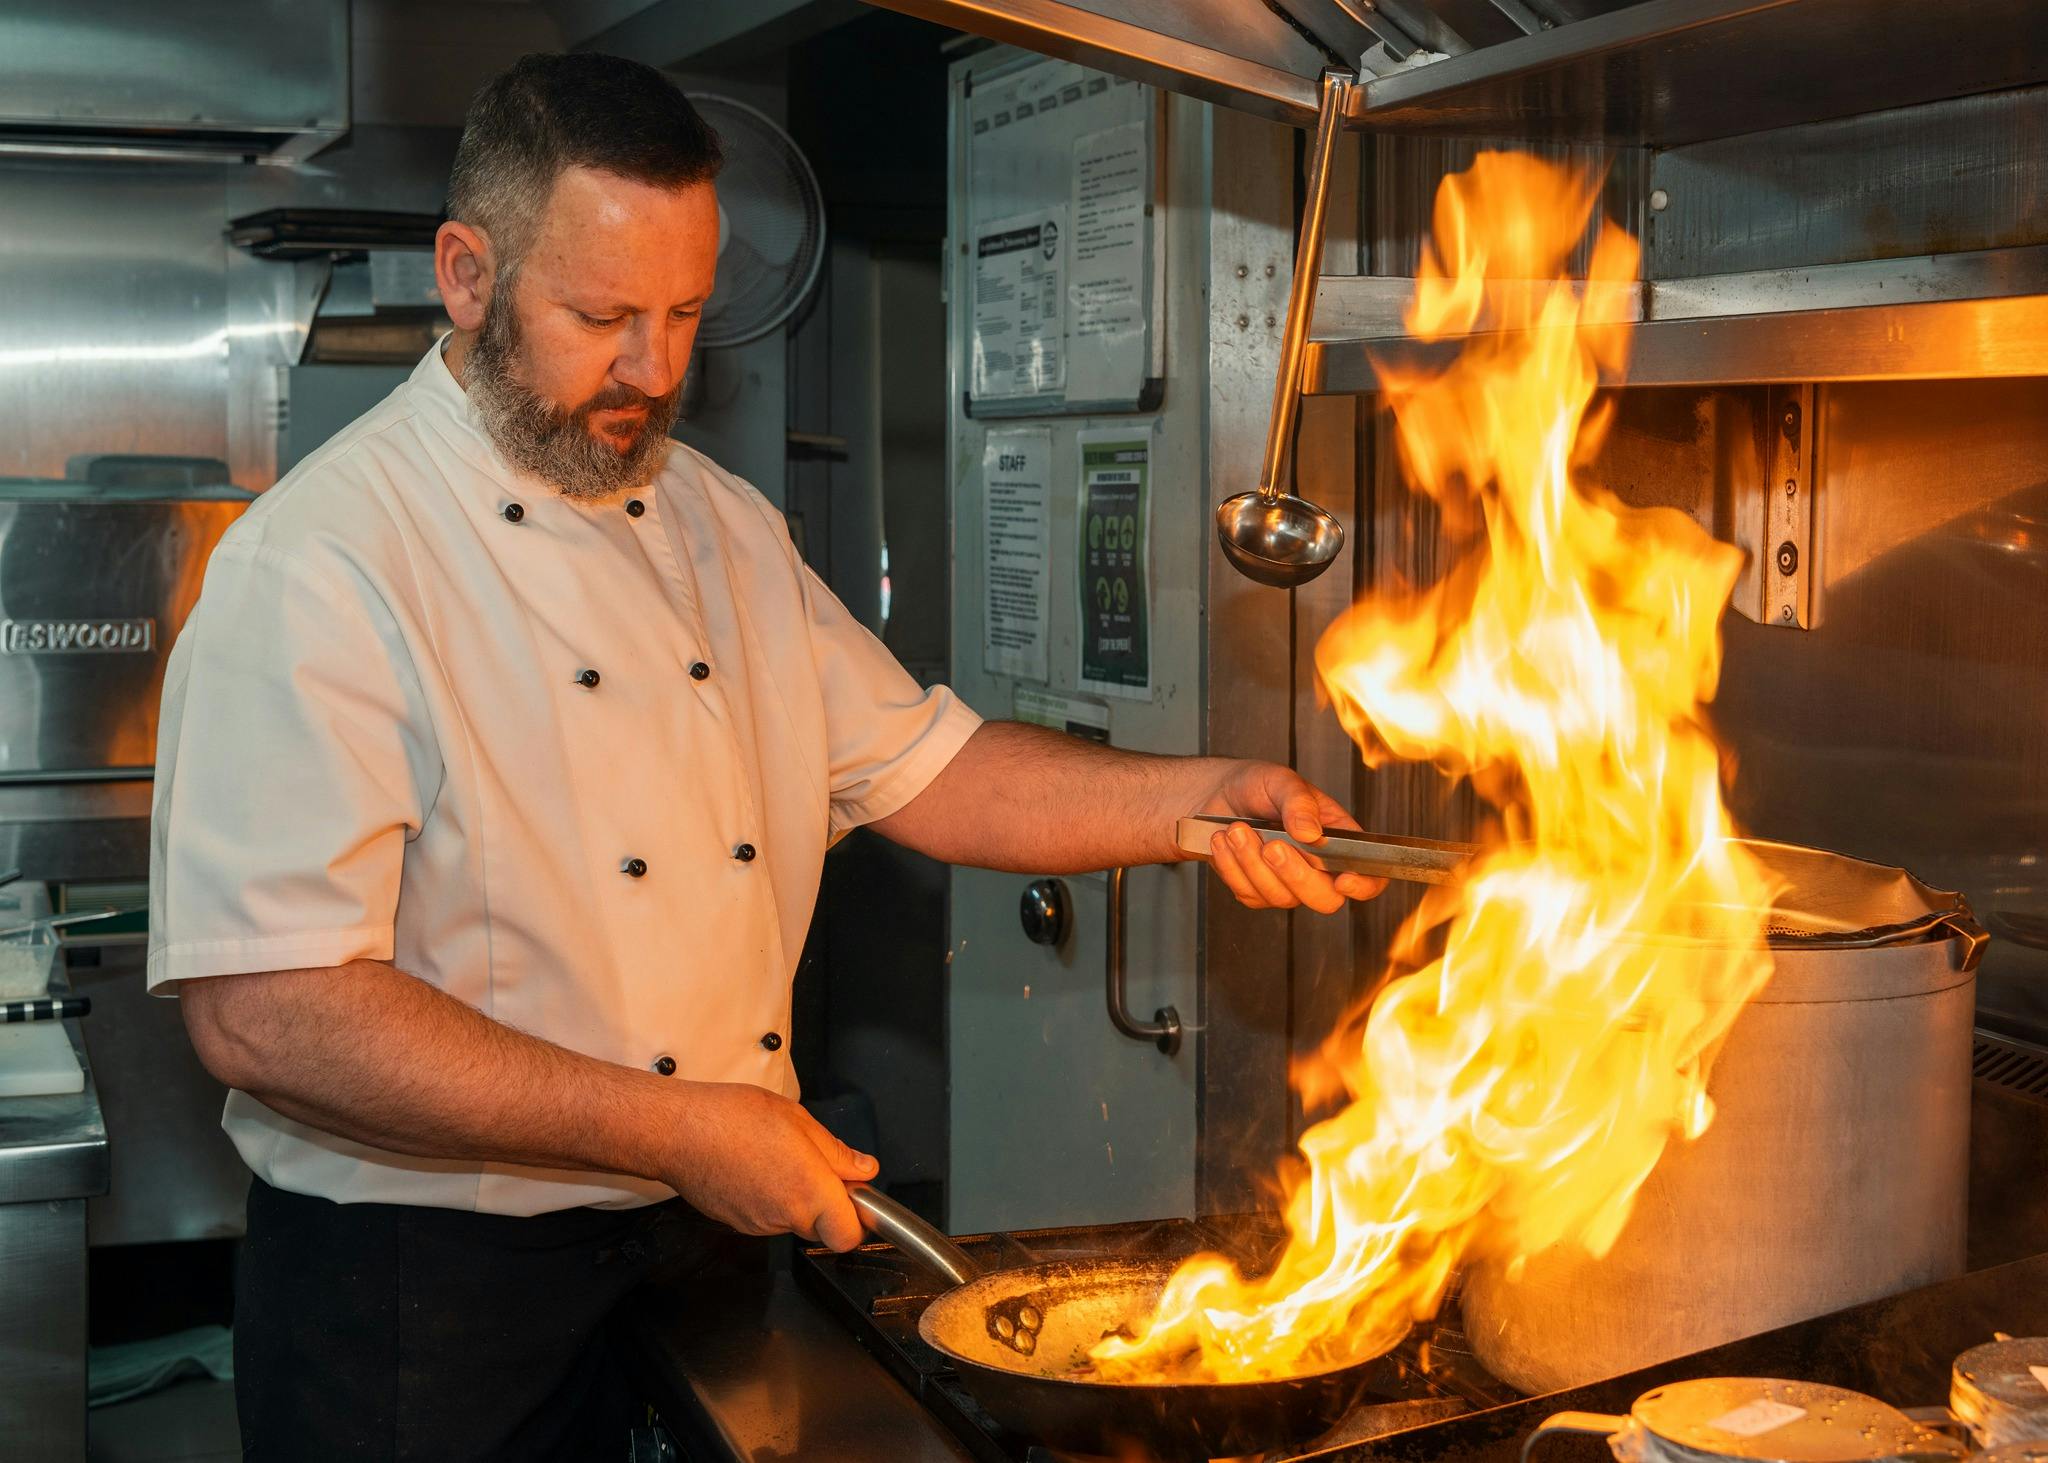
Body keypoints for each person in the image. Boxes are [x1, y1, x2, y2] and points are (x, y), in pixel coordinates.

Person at [147, 51, 1382, 1463]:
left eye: (685, 313)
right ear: (468, 275)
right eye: (602, 317)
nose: (655, 370)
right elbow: (269, 1010)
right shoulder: (323, 564)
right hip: (420, 1306)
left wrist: (1196, 802)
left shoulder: (719, 522)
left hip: (699, 1254)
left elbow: (937, 768)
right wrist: (680, 1129)